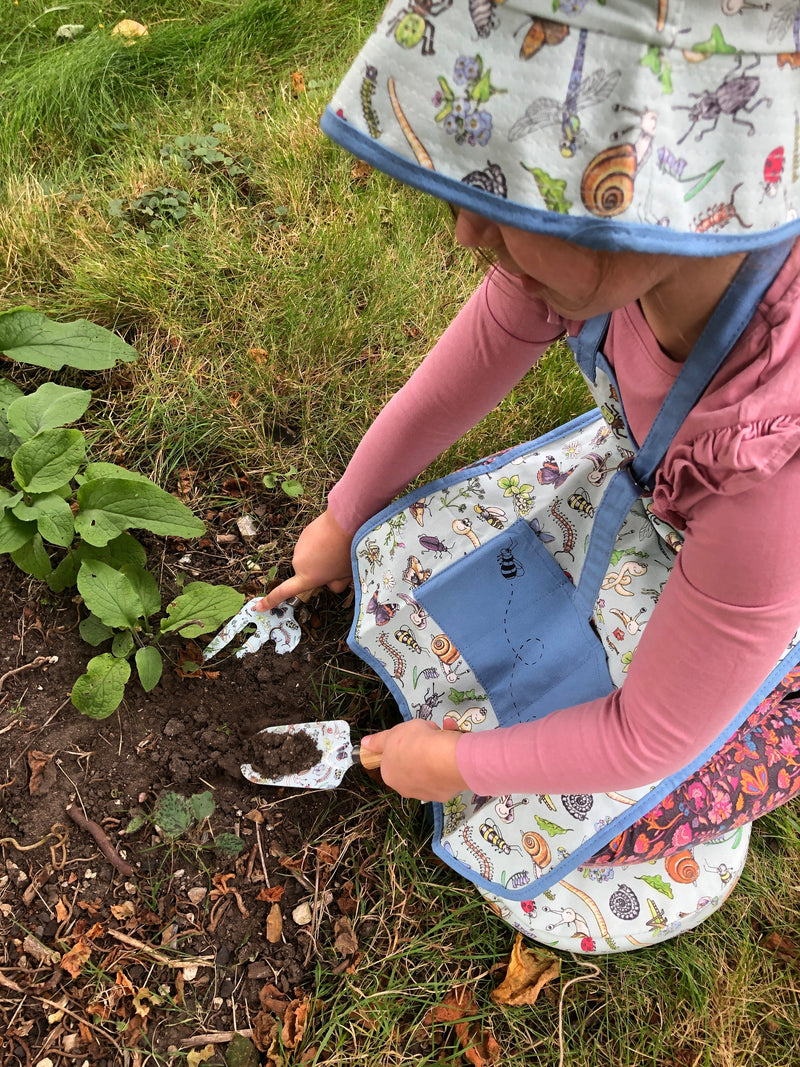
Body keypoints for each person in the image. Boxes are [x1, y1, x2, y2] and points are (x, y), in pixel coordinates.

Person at [258, 1, 800, 949]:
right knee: (431, 564)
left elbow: (652, 734)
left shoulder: (774, 459)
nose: (470, 233)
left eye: (512, 200)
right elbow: (454, 381)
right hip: (683, 508)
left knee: (617, 828)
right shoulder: (596, 263)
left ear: (653, 209)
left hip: (768, 598)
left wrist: (462, 761)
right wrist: (348, 514)